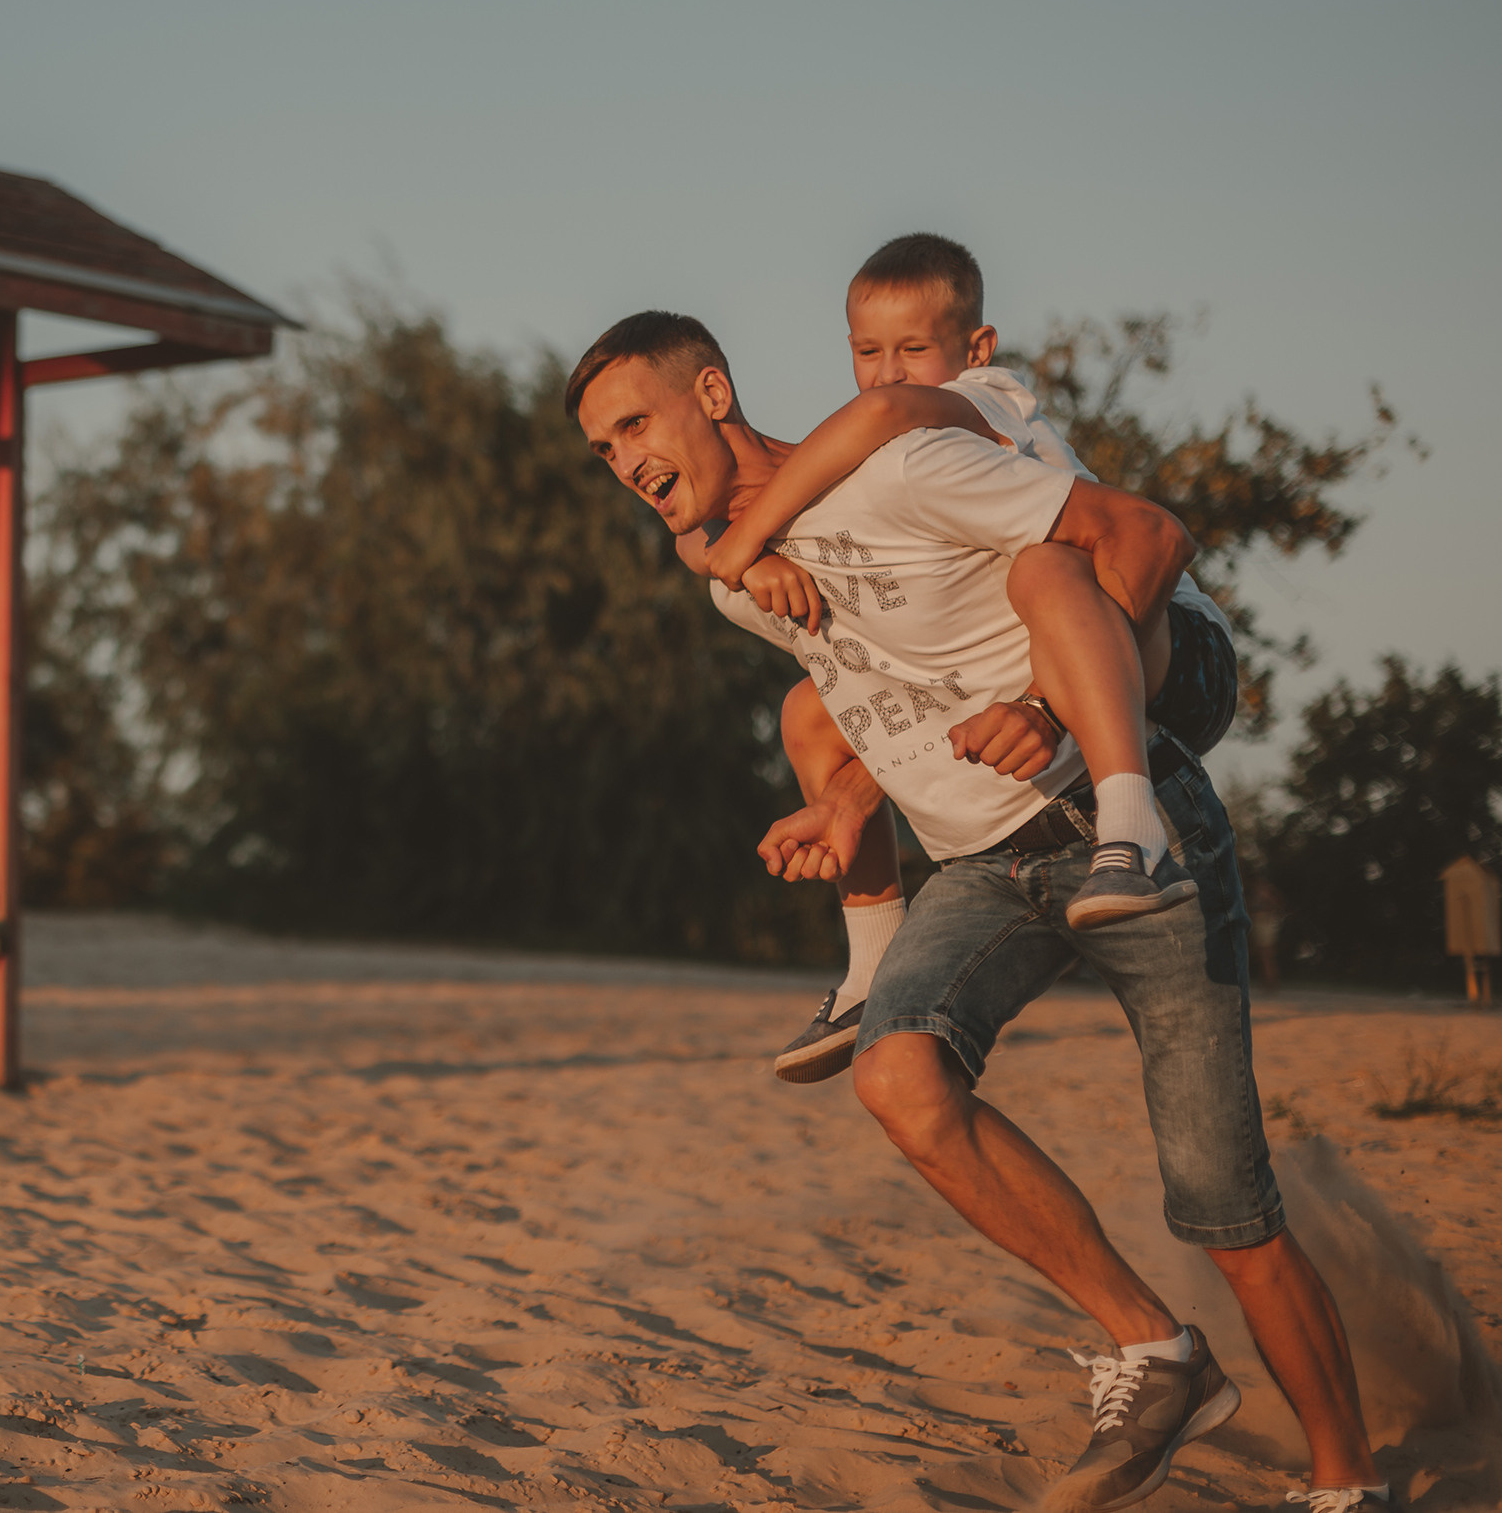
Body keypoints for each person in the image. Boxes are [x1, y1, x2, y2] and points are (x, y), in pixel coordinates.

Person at [566, 311, 1391, 1511]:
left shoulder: (902, 465)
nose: (625, 459)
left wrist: (1053, 713)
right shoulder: (737, 583)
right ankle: (1155, 1353)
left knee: (1224, 1207)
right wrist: (847, 804)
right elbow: (889, 686)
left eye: (635, 422)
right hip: (980, 869)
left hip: (1126, 824)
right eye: (602, 449)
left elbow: (1144, 539)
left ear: (712, 388)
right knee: (898, 1079)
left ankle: (1345, 1480)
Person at [675, 234, 1241, 1084]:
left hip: (1163, 637)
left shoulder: (985, 399)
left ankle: (1132, 831)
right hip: (1050, 658)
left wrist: (751, 533)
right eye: (868, 353)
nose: (892, 372)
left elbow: (876, 417)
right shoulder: (885, 455)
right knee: (807, 711)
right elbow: (694, 533)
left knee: (1048, 567)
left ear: (976, 349)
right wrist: (750, 556)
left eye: (914, 349)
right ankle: (872, 956)